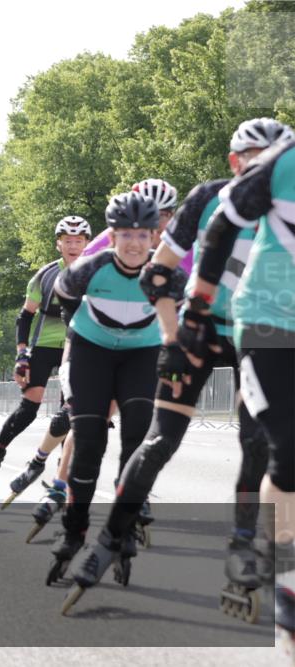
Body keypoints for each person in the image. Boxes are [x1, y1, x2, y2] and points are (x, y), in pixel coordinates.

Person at [63, 119, 293, 618]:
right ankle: (108, 539)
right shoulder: (208, 198)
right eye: (258, 157)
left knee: (256, 444)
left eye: (277, 156)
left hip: (258, 333)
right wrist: (172, 335)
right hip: (197, 330)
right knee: (161, 440)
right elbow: (158, 272)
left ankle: (242, 549)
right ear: (236, 162)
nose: (268, 167)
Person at [176, 137, 295, 642]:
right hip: (267, 324)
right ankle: (286, 579)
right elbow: (223, 224)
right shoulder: (282, 166)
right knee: (286, 447)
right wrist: (199, 303)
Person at [45, 191, 187, 587]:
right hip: (92, 351)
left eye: (144, 234)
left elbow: (180, 322)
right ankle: (74, 531)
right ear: (111, 236)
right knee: (88, 443)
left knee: (137, 437)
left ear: (156, 235)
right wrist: (76, 347)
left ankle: (121, 532)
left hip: (141, 354)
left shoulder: (169, 275)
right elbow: (65, 300)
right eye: (126, 234)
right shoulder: (88, 269)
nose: (135, 243)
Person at [0, 216, 92, 507]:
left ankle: (65, 473)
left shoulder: (97, 272)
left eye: (79, 241)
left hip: (78, 346)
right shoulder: (46, 275)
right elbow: (25, 316)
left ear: (87, 243)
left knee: (69, 415)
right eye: (68, 241)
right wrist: (21, 355)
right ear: (58, 244)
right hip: (44, 344)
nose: (73, 246)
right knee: (29, 408)